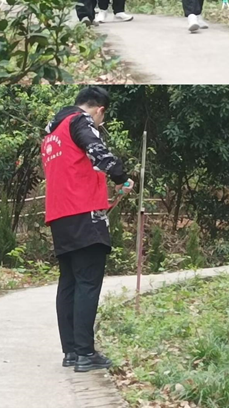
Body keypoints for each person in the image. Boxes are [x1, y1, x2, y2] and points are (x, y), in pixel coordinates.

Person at [41, 86, 134, 373]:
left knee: (69, 282)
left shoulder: (51, 134)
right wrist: (121, 177)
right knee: (88, 282)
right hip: (84, 215)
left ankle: (71, 351)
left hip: (59, 216)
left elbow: (75, 168)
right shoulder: (80, 121)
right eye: (101, 119)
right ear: (99, 110)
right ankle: (85, 353)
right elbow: (100, 154)